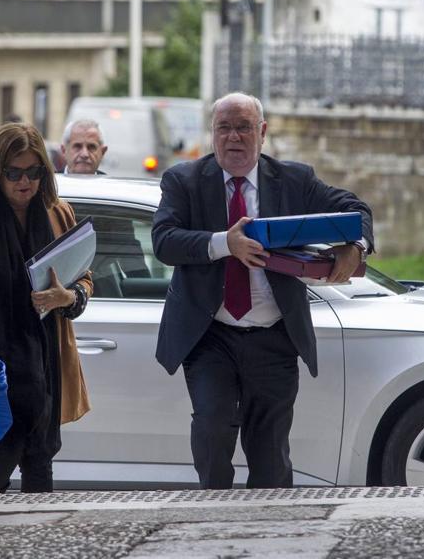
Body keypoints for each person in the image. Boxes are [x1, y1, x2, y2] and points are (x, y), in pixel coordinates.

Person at [152, 92, 374, 489]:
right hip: (210, 335)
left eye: (243, 128)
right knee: (213, 425)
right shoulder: (183, 181)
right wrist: (225, 243)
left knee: (270, 451)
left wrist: (353, 246)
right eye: (224, 128)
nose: (233, 137)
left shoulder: (294, 180)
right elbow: (165, 241)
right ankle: (210, 517)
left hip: (273, 337)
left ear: (263, 133)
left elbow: (355, 210)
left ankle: (270, 529)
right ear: (212, 133)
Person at [0, 122, 93, 493]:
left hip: (45, 352)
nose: (25, 183)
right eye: (14, 174)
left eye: (33, 172)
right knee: (6, 446)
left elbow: (84, 280)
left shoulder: (59, 214)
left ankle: (39, 535)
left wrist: (66, 297)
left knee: (40, 454)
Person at [61, 119, 150, 293]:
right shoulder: (47, 190)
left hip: (100, 290)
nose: (85, 154)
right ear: (64, 150)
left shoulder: (114, 197)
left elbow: (128, 251)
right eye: (77, 146)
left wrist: (147, 290)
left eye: (92, 147)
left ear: (103, 151)